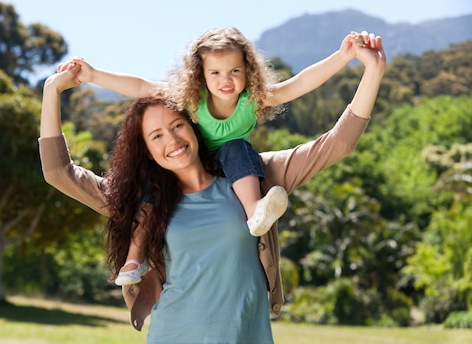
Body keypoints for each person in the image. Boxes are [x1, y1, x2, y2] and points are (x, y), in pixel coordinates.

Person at [39, 31, 386, 342]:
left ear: (192, 123)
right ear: (146, 149)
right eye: (156, 136)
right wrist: (52, 90)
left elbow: (338, 144)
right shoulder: (144, 199)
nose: (171, 140)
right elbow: (59, 172)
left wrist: (372, 71)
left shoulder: (257, 175)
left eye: (176, 125)